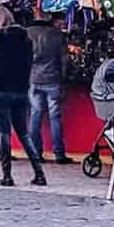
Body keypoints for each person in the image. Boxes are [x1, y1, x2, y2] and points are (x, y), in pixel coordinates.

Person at [0, 7, 46, 188]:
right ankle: (39, 173)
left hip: (1, 92)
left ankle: (7, 175)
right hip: (21, 91)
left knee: (4, 132)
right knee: (23, 133)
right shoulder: (25, 40)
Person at [27, 11, 72, 165]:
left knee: (35, 116)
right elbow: (65, 60)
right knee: (55, 118)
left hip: (33, 79)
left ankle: (35, 154)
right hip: (53, 79)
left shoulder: (28, 33)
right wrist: (63, 78)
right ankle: (59, 154)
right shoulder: (56, 35)